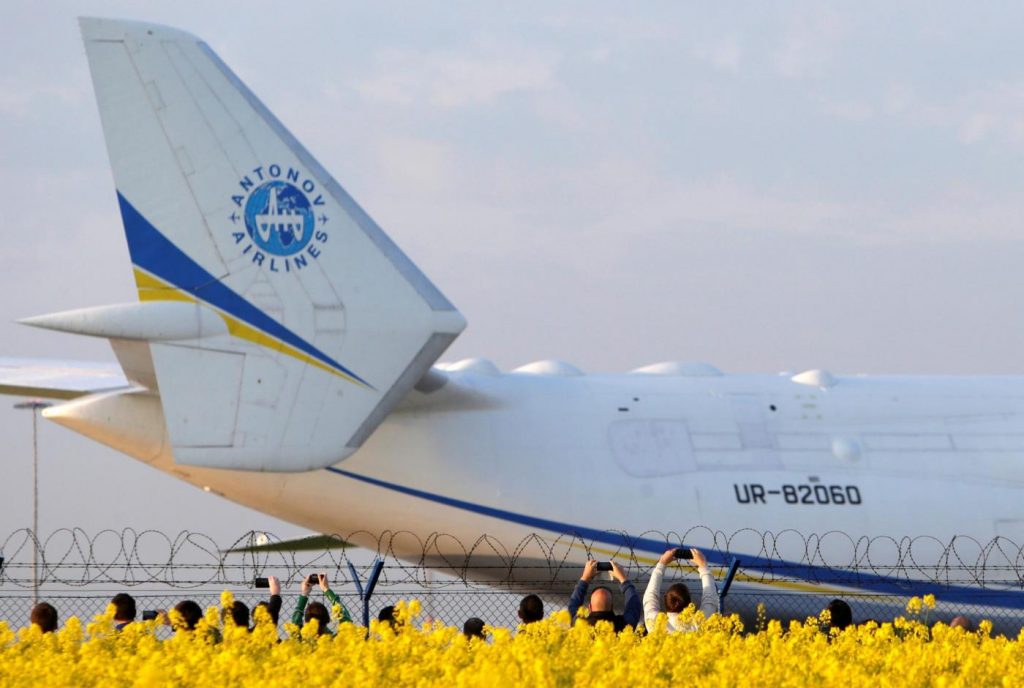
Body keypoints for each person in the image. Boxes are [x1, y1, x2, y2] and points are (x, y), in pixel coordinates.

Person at [643, 548, 719, 633]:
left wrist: (662, 563)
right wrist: (703, 566)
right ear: (690, 603)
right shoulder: (697, 624)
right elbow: (710, 601)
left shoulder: (655, 624)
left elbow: (649, 598)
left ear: (665, 600)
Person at [567, 560, 642, 632]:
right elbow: (634, 606)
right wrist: (622, 578)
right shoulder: (624, 627)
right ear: (612, 607)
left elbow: (573, 606)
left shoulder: (580, 625)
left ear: (590, 607)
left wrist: (585, 578)